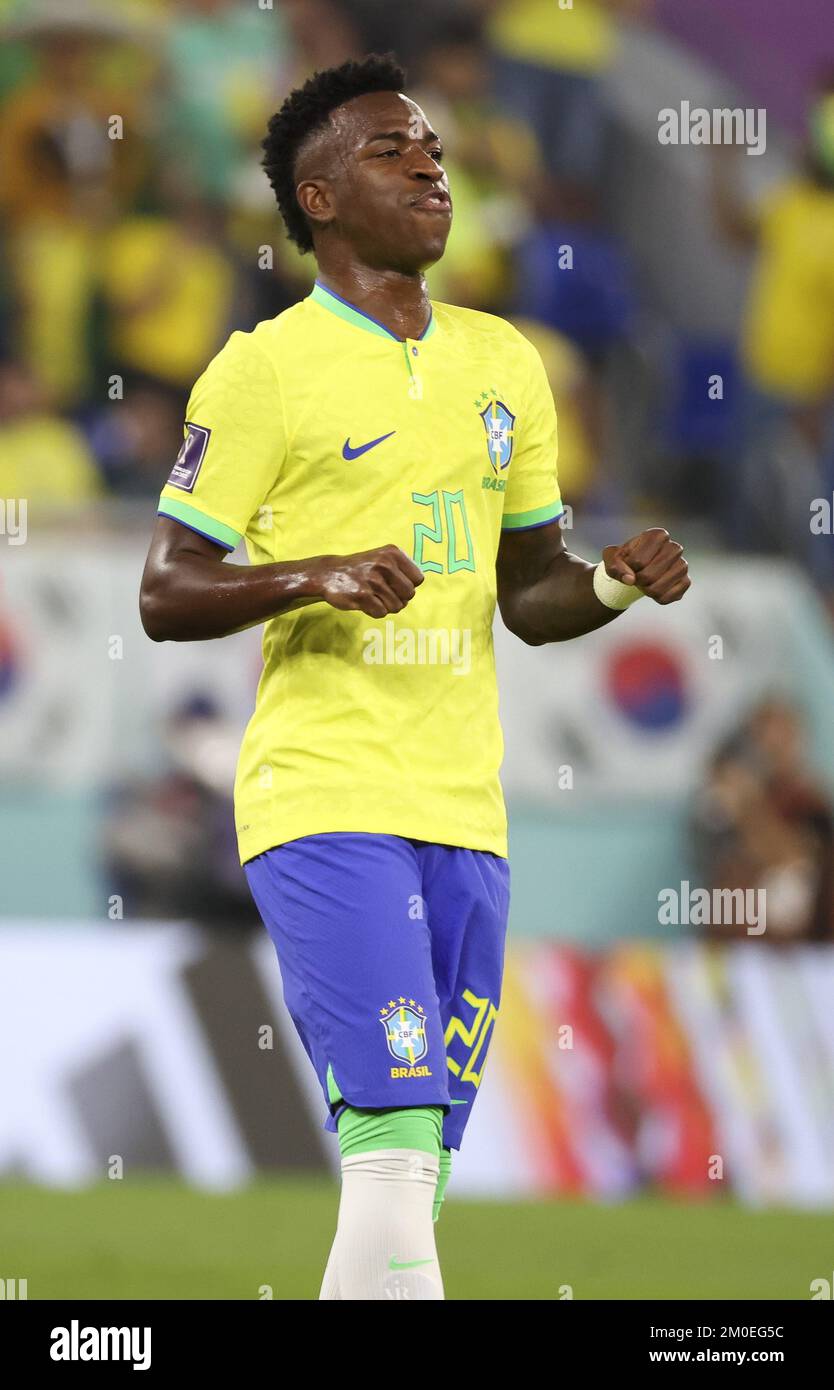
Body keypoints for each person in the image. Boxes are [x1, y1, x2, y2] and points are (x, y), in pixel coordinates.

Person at [139, 54, 690, 1301]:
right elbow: (165, 590)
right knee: (392, 1136)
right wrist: (310, 574)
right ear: (318, 199)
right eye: (392, 149)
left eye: (434, 146)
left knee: (415, 1163)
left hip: (466, 816)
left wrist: (608, 581)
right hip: (326, 798)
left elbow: (531, 593)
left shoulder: (505, 364)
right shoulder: (264, 367)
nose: (431, 164)